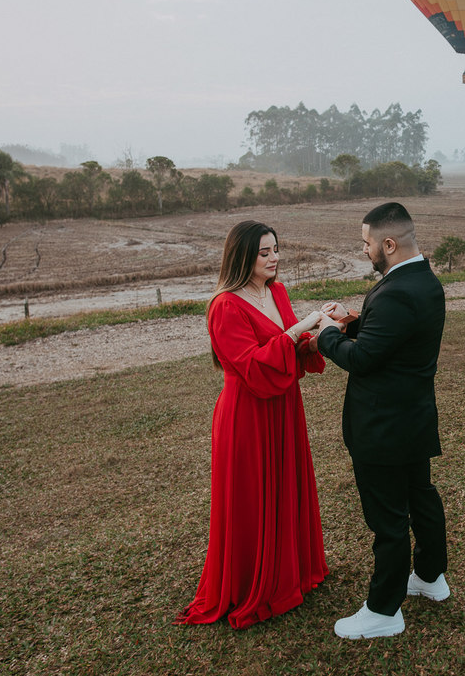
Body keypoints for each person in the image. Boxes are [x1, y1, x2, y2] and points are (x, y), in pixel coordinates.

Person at [174, 220, 330, 629]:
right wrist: (306, 322)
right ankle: (251, 584)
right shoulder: (225, 305)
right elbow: (251, 365)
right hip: (247, 413)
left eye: (276, 249)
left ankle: (290, 574)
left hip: (283, 407)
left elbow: (288, 348)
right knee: (252, 495)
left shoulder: (277, 290)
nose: (274, 258)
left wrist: (325, 330)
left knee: (284, 485)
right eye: (264, 252)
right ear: (242, 256)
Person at [317, 202, 450, 640]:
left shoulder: (395, 290)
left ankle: (383, 610)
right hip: (411, 419)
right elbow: (392, 337)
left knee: (388, 519)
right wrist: (353, 322)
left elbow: (365, 359)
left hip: (383, 428)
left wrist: (326, 335)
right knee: (422, 499)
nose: (365, 251)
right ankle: (430, 579)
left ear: (388, 244)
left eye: (367, 244)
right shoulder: (423, 280)